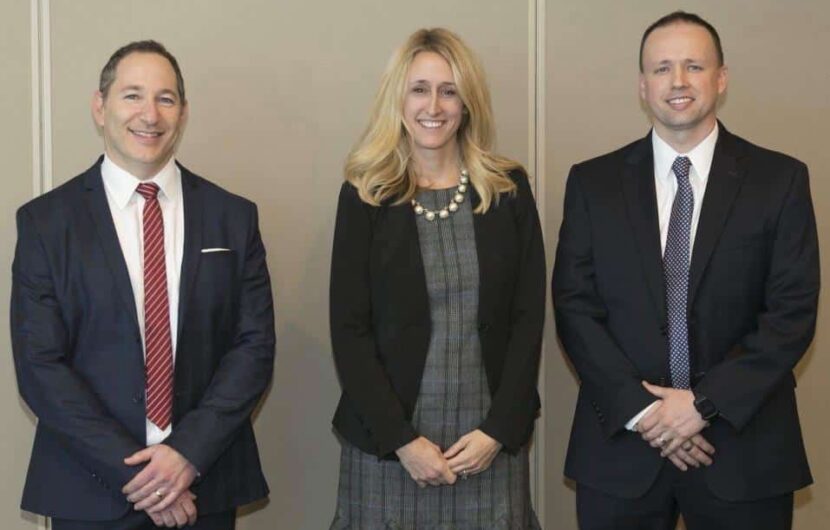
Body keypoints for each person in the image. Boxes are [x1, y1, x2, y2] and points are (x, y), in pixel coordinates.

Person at [552, 11, 817, 530]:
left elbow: (791, 312)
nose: (677, 82)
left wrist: (705, 403)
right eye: (662, 68)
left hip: (744, 451)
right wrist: (647, 413)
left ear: (721, 78)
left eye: (694, 66)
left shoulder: (779, 180)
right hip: (621, 449)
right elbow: (574, 307)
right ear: (642, 86)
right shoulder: (592, 183)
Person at [11, 40, 275, 529]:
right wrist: (141, 475)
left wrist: (186, 456)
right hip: (90, 491)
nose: (149, 114)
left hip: (205, 483)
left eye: (166, 98)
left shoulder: (233, 218)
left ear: (183, 111)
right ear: (100, 105)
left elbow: (253, 348)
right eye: (132, 95)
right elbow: (39, 365)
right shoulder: (47, 222)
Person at [328, 28, 545, 529]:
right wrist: (402, 441)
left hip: (487, 444)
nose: (435, 105)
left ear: (467, 102)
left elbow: (528, 317)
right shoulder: (364, 195)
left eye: (449, 90)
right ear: (398, 99)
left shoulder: (508, 188)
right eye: (419, 89)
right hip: (391, 445)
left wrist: (499, 430)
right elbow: (349, 330)